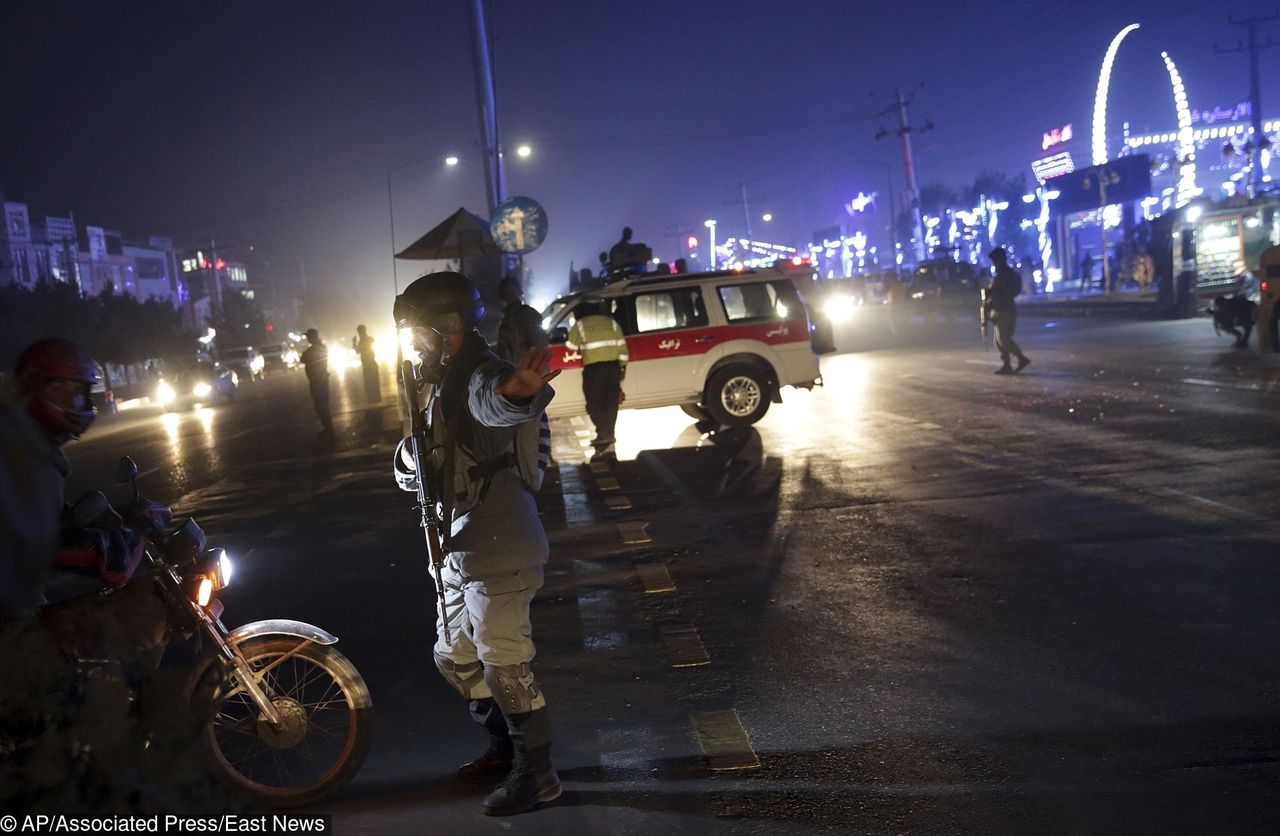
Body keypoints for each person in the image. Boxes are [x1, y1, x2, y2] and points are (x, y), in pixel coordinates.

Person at [392, 271, 561, 816]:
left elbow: (497, 401)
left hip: (499, 544)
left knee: (503, 661)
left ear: (449, 328)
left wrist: (519, 393)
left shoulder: (481, 375)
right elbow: (423, 454)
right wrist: (409, 462)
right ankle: (503, 748)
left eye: (419, 333)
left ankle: (538, 775)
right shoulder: (440, 382)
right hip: (458, 546)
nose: (413, 344)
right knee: (456, 657)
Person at [1, 338, 100, 617]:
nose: (72, 401)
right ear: (32, 389)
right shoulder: (16, 448)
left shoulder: (34, 446)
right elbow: (22, 537)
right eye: (59, 389)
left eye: (78, 392)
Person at [565, 298, 628, 461]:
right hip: (613, 367)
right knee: (610, 403)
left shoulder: (580, 324)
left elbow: (570, 346)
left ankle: (604, 435)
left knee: (594, 404)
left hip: (594, 368)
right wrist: (623, 367)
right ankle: (607, 436)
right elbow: (622, 347)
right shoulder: (611, 323)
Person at [988, 247, 1030, 375]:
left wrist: (997, 294)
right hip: (999, 309)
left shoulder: (1007, 275)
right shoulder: (1001, 274)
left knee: (1004, 339)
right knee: (999, 341)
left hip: (1006, 309)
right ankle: (1007, 365)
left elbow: (1011, 291)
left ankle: (1021, 358)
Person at [496, 276, 548, 364]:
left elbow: (540, 344)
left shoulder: (528, 314)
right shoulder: (506, 318)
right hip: (515, 369)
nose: (509, 296)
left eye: (512, 292)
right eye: (507, 293)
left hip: (529, 368)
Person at [301, 329, 333, 434]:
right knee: (321, 404)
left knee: (321, 404)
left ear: (313, 337)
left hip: (318, 381)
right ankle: (327, 425)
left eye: (308, 336)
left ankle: (327, 426)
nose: (307, 339)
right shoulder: (319, 347)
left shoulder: (316, 349)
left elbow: (303, 358)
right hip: (319, 379)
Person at [353, 324, 381, 403]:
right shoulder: (369, 339)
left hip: (368, 365)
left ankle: (373, 399)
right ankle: (376, 398)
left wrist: (354, 343)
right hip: (371, 364)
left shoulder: (363, 340)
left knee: (370, 383)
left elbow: (357, 351)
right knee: (374, 382)